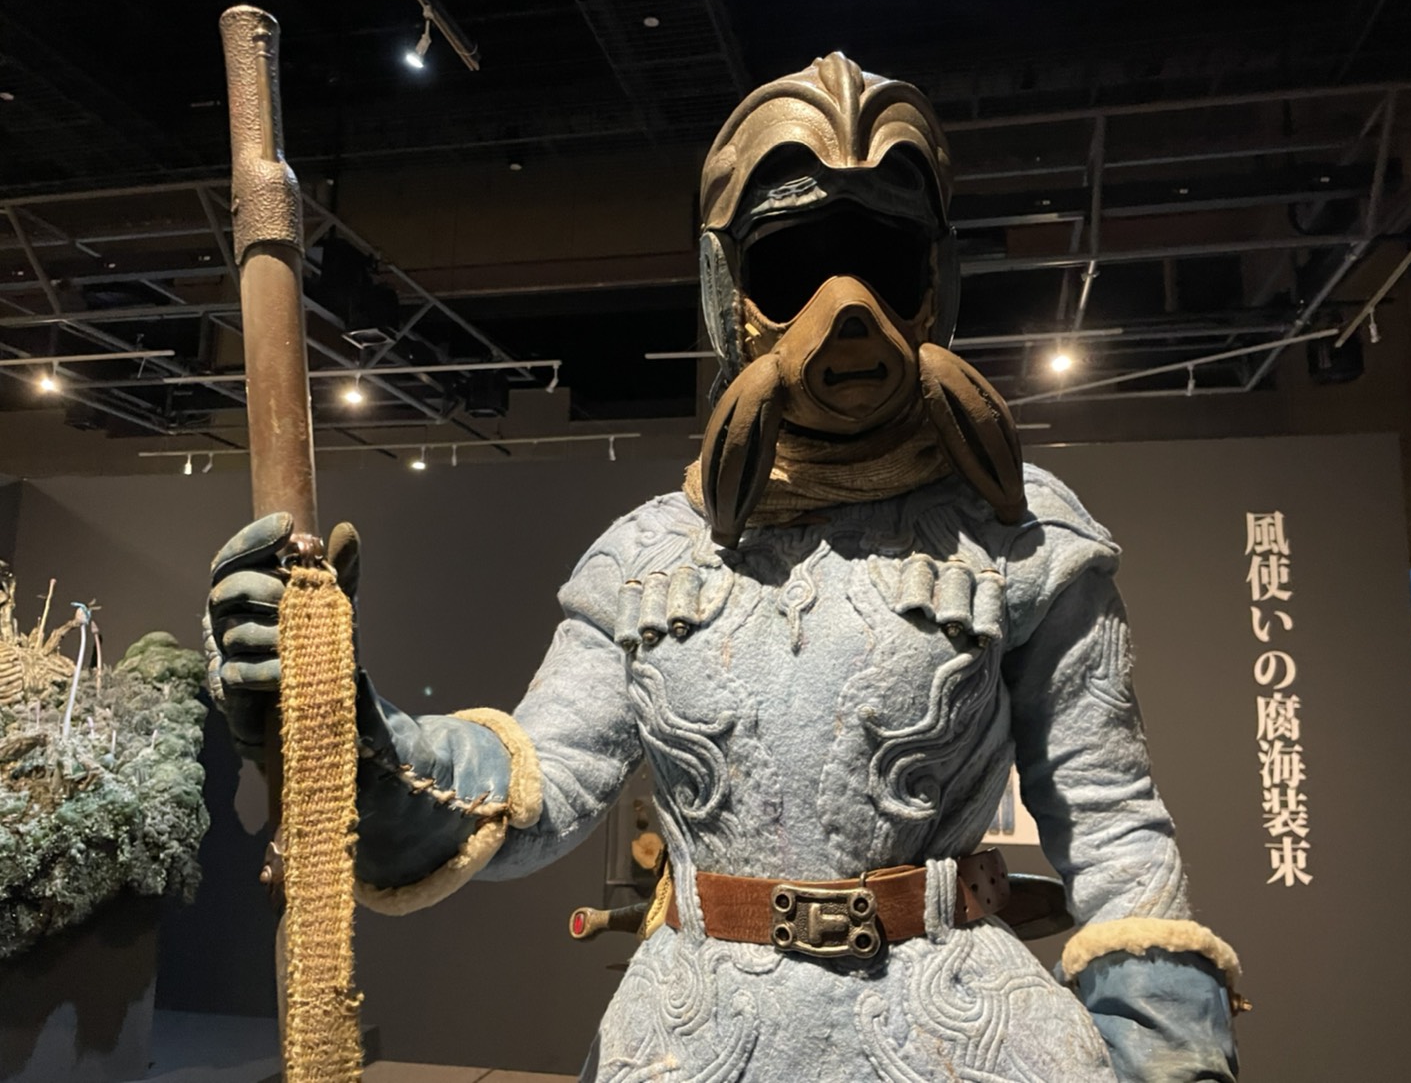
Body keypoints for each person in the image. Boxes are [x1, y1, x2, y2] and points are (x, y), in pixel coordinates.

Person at [206, 53, 1240, 1082]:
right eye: (792, 268)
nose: (845, 310)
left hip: (965, 1035)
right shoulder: (647, 555)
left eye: (883, 261)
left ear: (934, 279)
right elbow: (538, 789)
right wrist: (340, 723)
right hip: (692, 1039)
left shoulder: (1021, 534)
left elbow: (1112, 822)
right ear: (728, 288)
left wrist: (1171, 1054)